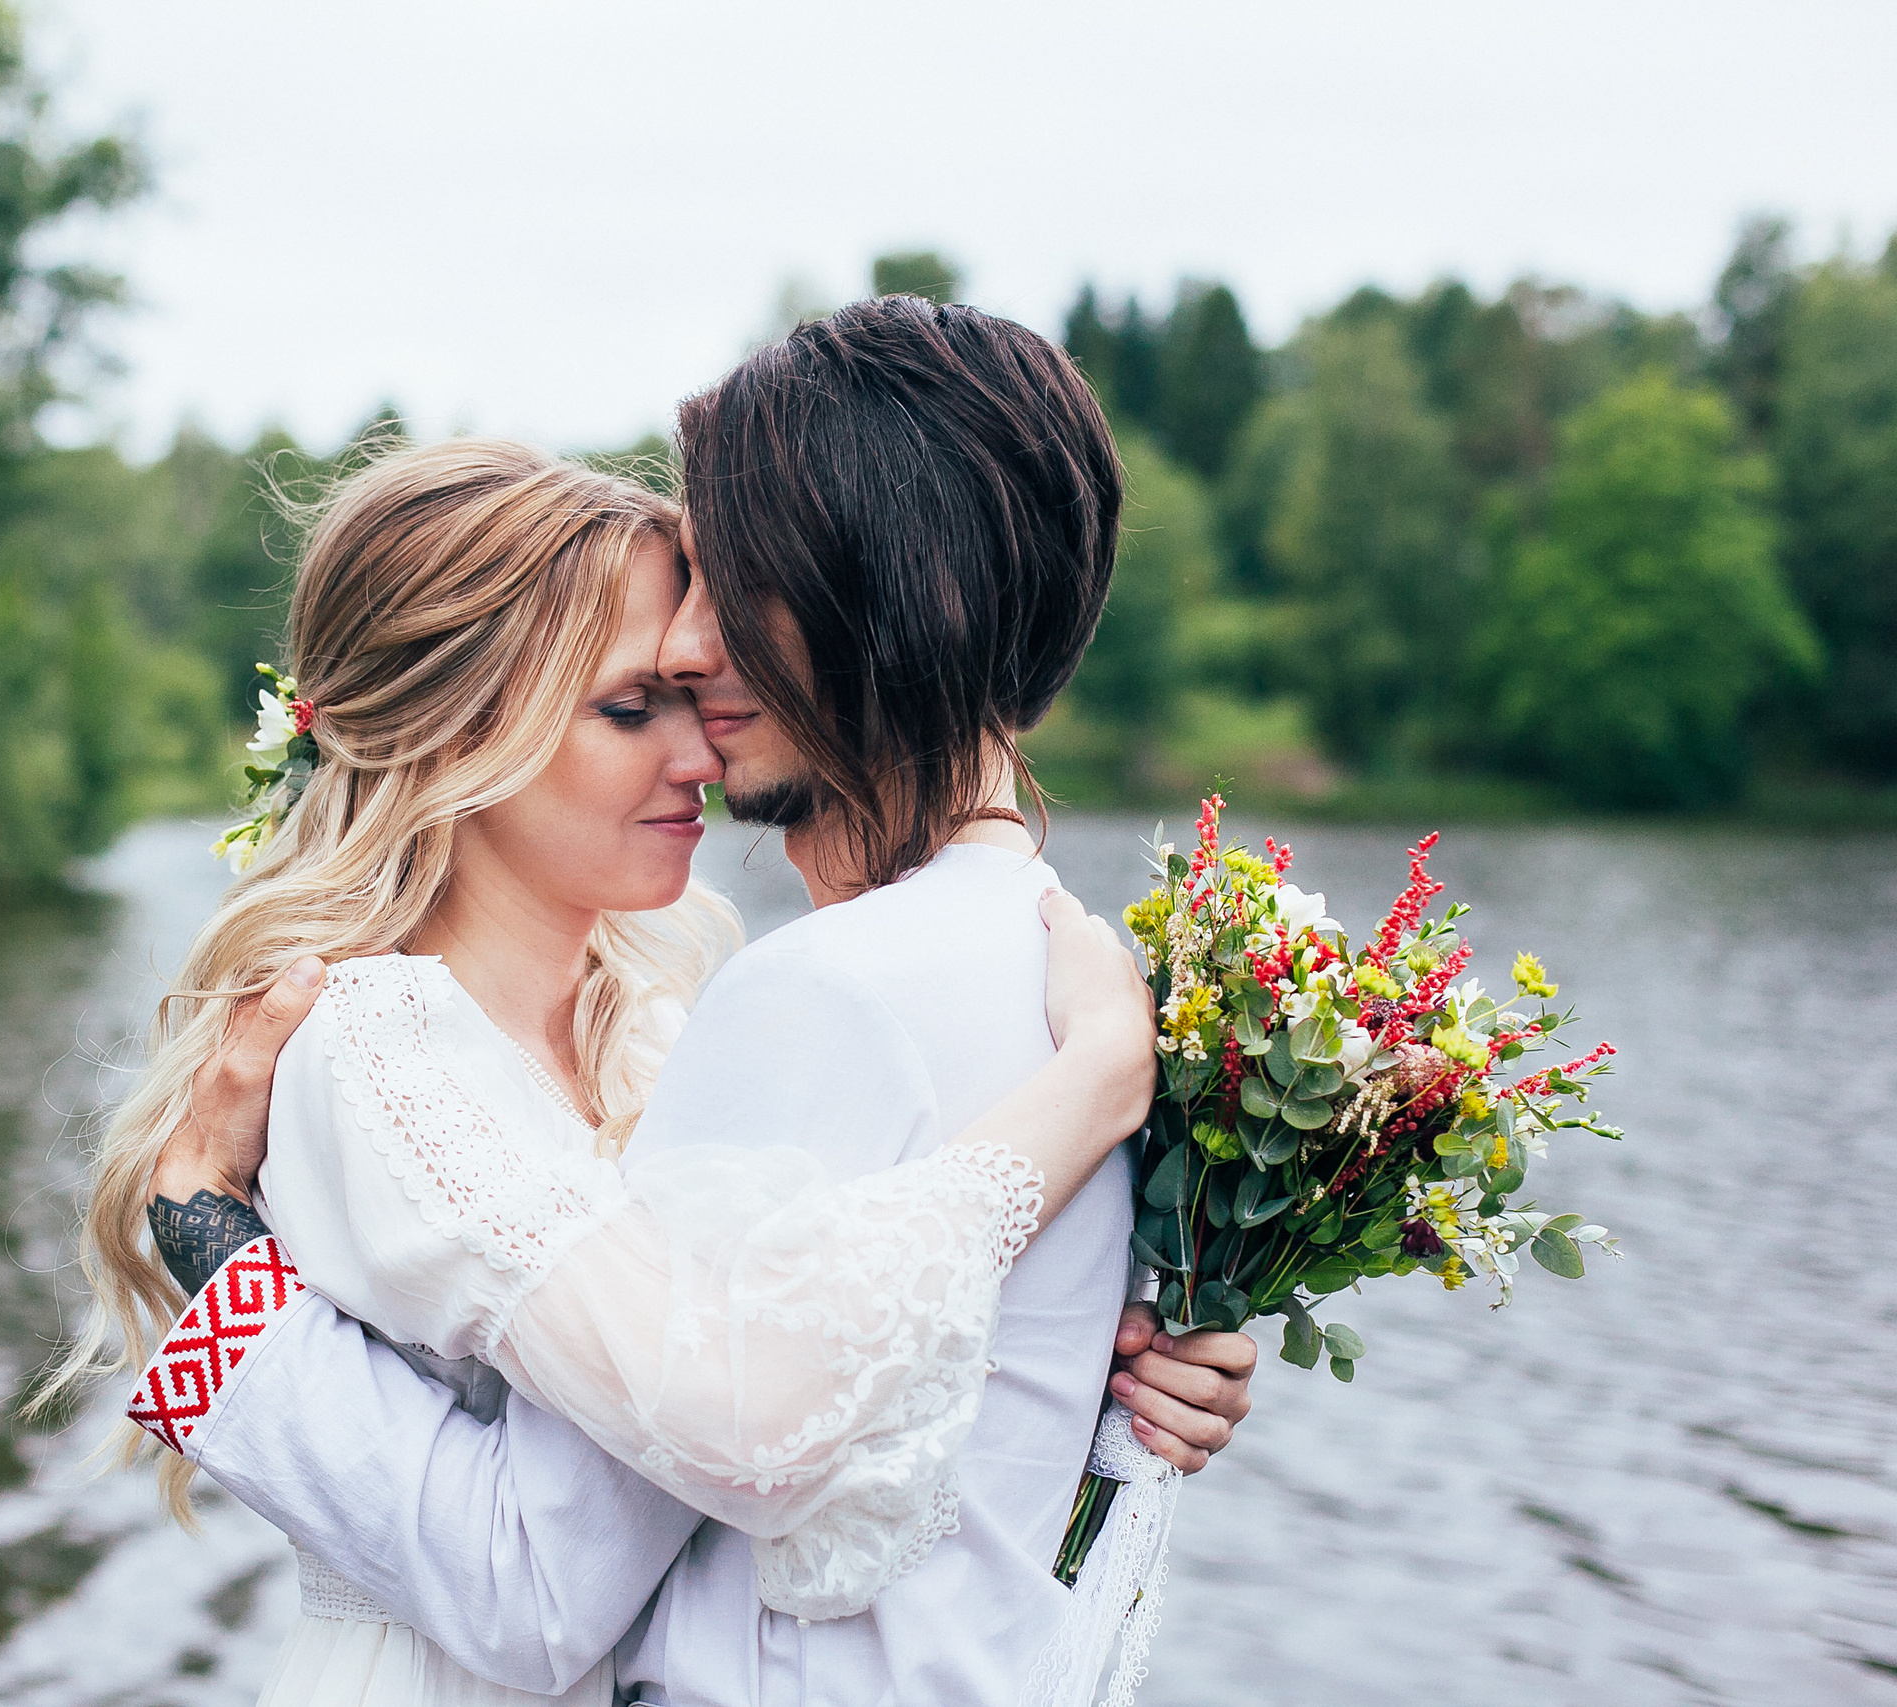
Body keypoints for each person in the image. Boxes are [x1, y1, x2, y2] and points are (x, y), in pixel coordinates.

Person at [109, 299, 1262, 1707]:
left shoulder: (675, 1032)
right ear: (448, 734)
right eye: (628, 705)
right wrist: (215, 1254)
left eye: (689, 673)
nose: (698, 736)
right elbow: (588, 1535)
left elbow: (830, 1410)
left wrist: (1106, 1383)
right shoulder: (385, 1047)